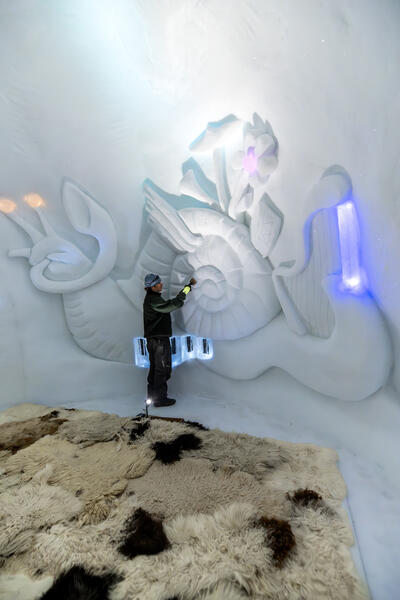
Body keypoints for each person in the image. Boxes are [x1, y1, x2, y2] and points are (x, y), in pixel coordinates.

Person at [143, 273, 197, 407]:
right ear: (152, 286)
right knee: (162, 369)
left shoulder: (152, 298)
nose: (161, 284)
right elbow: (172, 305)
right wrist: (186, 290)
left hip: (154, 340)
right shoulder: (153, 300)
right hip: (159, 341)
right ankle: (160, 399)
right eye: (158, 283)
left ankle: (152, 397)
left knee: (155, 368)